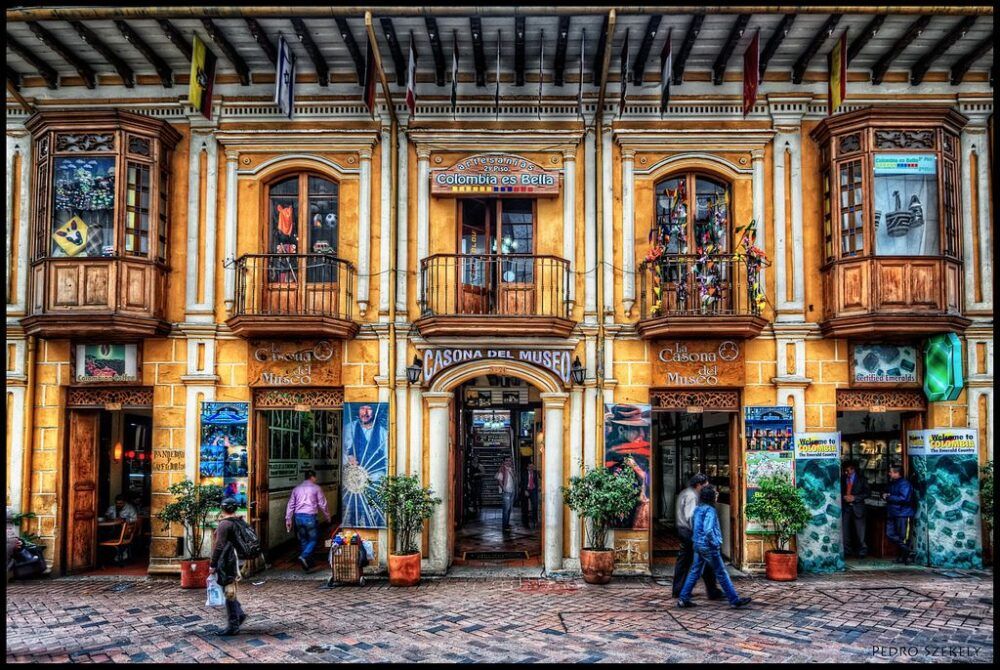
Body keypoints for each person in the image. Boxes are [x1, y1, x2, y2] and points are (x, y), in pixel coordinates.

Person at [677, 485, 751, 609]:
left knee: (695, 572)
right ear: (711, 497)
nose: (717, 495)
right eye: (715, 494)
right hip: (708, 547)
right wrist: (715, 542)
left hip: (698, 544)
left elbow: (695, 526)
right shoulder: (710, 511)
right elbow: (708, 529)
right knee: (721, 573)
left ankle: (683, 598)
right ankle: (734, 599)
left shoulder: (697, 509)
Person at [672, 474, 725, 601]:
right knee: (700, 563)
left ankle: (679, 590)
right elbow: (691, 517)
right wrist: (699, 534)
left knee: (688, 562)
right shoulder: (692, 496)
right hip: (689, 532)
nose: (708, 488)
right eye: (705, 485)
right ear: (699, 485)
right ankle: (710, 591)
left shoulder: (686, 492)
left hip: (684, 530)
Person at [209, 498, 247, 636]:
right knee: (230, 589)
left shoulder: (224, 524)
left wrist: (213, 564)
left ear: (222, 508)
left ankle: (233, 625)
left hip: (229, 560)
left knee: (229, 591)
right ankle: (239, 614)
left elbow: (219, 546)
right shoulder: (240, 521)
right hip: (239, 560)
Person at [285, 470, 330, 571]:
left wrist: (288, 519)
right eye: (315, 478)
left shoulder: (297, 489)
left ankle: (307, 564)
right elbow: (323, 504)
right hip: (310, 517)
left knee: (303, 539)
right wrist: (327, 516)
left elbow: (291, 504)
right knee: (314, 539)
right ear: (313, 477)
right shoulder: (316, 488)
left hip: (298, 517)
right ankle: (304, 556)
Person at [882, 465, 916, 564]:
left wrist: (889, 497)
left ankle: (904, 556)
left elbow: (904, 498)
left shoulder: (905, 484)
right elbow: (886, 493)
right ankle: (907, 552)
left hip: (903, 514)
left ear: (897, 473)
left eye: (891, 472)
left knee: (902, 537)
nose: (889, 473)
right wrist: (885, 495)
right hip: (892, 512)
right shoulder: (892, 483)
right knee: (890, 534)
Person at [841, 461, 871, 558]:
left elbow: (867, 493)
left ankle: (862, 551)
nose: (846, 472)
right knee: (845, 531)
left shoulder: (862, 479)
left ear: (853, 469)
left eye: (848, 470)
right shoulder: (843, 479)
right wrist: (844, 497)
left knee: (860, 532)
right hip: (846, 507)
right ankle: (847, 551)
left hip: (858, 508)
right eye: (845, 471)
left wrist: (855, 497)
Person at [495, 457, 516, 531]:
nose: (508, 462)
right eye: (506, 461)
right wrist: (504, 488)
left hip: (512, 491)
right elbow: (499, 480)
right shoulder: (502, 469)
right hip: (506, 491)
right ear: (504, 462)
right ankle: (505, 525)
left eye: (509, 461)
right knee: (506, 509)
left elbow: (514, 479)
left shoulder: (511, 469)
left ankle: (507, 523)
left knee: (509, 508)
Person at [523, 461, 539, 529]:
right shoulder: (524, 473)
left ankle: (535, 521)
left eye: (532, 466)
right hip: (527, 489)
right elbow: (522, 483)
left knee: (535, 506)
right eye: (530, 467)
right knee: (525, 507)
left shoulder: (535, 473)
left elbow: (540, 478)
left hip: (534, 490)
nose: (531, 468)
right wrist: (525, 490)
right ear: (527, 468)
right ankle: (526, 522)